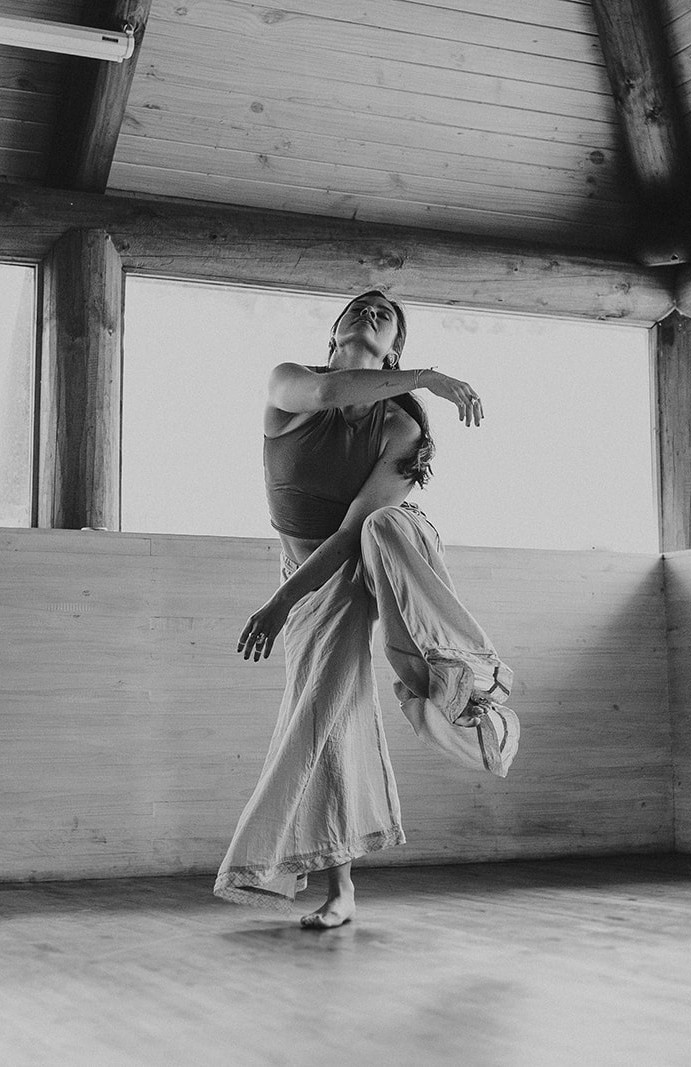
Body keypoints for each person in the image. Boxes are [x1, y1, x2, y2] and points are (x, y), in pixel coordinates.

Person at [213, 290, 519, 928]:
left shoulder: (403, 427)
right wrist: (430, 378)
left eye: (386, 315)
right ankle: (341, 888)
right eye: (360, 308)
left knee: (382, 523)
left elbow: (354, 529)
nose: (371, 313)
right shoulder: (290, 383)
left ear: (394, 349)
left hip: (383, 550)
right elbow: (327, 393)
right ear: (335, 331)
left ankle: (471, 674)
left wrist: (278, 605)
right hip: (309, 576)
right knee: (327, 711)